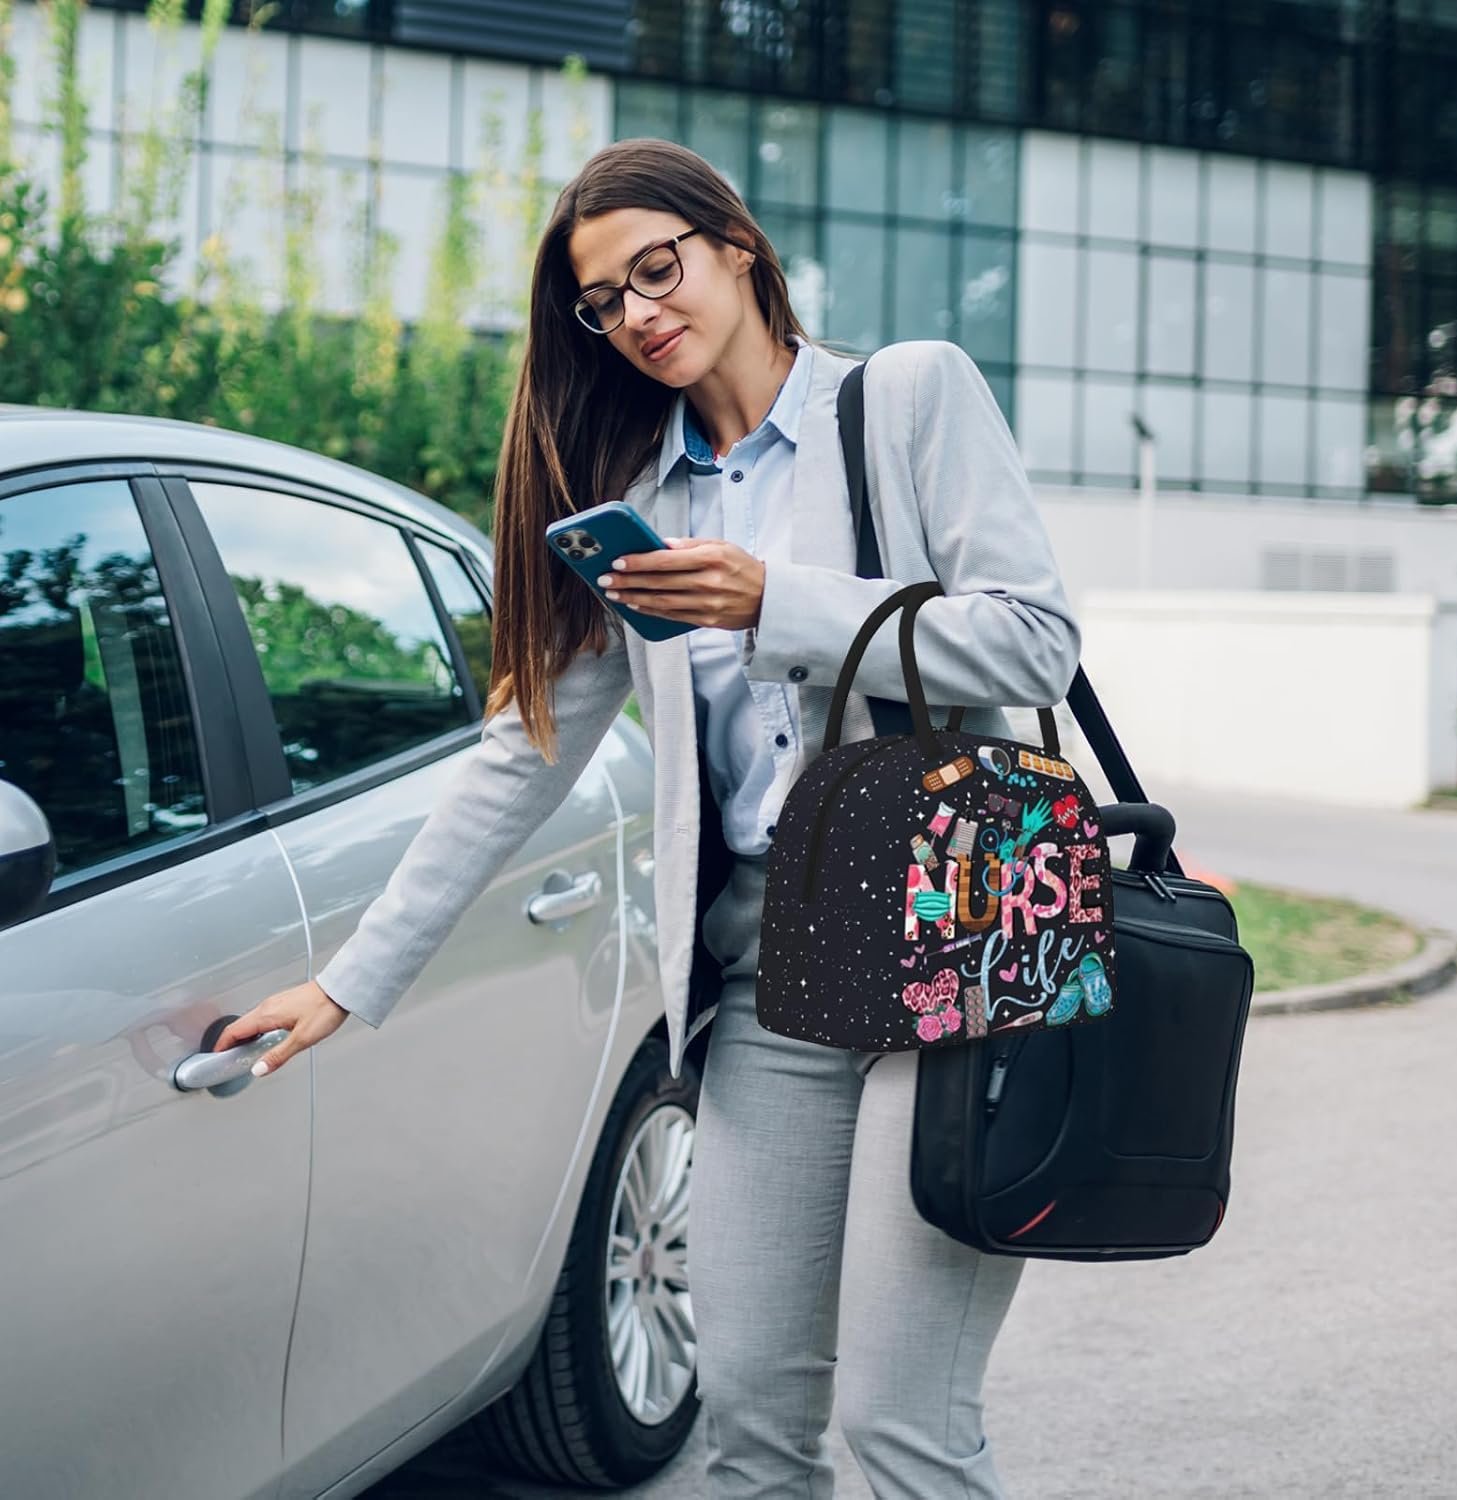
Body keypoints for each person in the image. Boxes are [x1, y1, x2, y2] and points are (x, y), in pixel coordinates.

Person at [215, 136, 1081, 1497]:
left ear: (736, 246)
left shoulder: (907, 398)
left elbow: (1036, 644)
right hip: (766, 989)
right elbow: (524, 751)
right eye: (604, 301)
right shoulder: (644, 504)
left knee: (901, 1429)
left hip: (954, 965)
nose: (637, 313)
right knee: (743, 1420)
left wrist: (774, 604)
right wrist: (348, 984)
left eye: (656, 270)